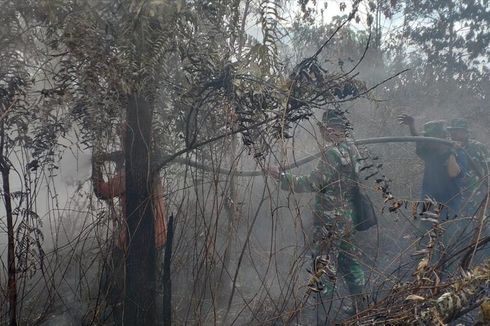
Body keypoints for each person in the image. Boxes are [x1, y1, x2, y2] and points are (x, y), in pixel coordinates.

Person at [266, 110, 366, 316]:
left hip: (330, 221)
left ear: (332, 128)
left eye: (324, 128)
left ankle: (323, 314)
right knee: (350, 262)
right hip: (347, 218)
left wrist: (280, 176)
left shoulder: (333, 153)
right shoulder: (353, 149)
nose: (322, 132)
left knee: (323, 265)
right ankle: (361, 306)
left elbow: (313, 182)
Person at [92, 148, 167, 325]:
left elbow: (102, 191)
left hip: (136, 239)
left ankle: (121, 317)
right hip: (159, 237)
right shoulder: (151, 172)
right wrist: (119, 164)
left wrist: (96, 165)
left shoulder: (129, 174)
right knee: (150, 284)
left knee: (110, 282)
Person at [398, 115, 467, 217]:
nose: (427, 141)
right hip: (428, 203)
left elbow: (453, 173)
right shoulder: (429, 153)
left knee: (446, 231)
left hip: (448, 206)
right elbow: (419, 140)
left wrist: (452, 152)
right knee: (423, 231)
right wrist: (412, 126)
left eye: (430, 137)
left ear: (440, 137)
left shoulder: (459, 153)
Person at [447, 118, 488, 216]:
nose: (454, 133)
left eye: (457, 130)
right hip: (455, 194)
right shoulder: (448, 147)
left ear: (465, 133)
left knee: (480, 221)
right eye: (452, 130)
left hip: (477, 194)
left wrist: (487, 190)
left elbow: (488, 168)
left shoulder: (478, 147)